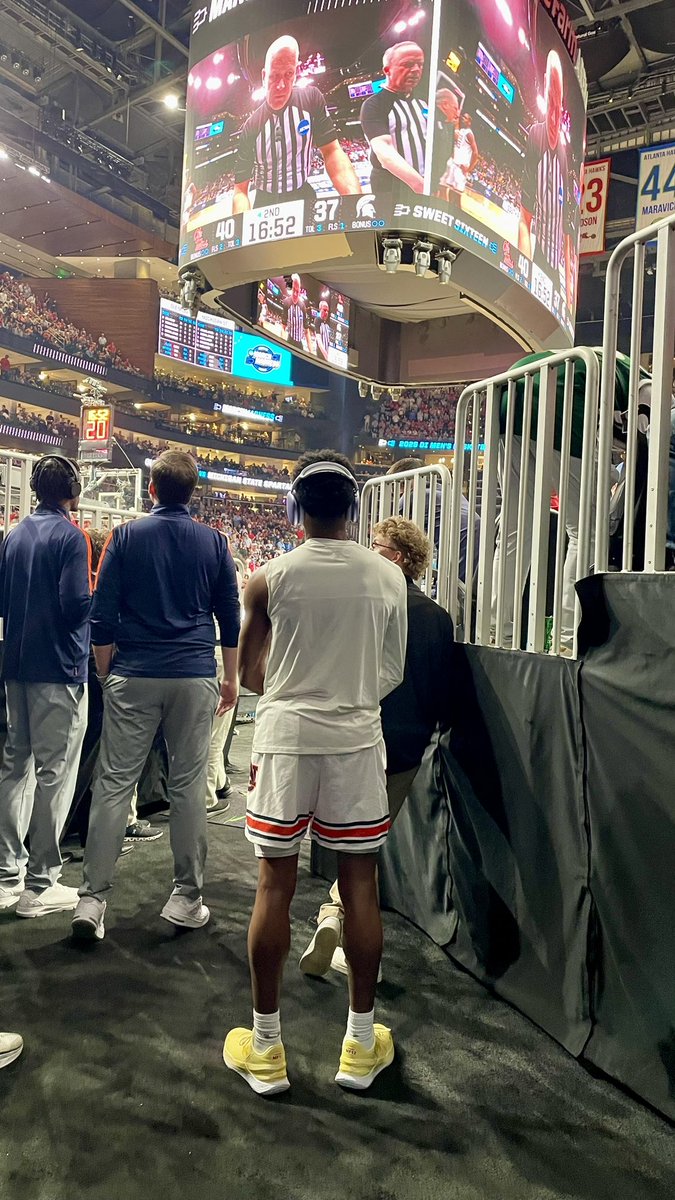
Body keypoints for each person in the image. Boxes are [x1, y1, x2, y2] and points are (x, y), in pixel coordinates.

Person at [223, 450, 407, 1095]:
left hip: (285, 738)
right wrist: (345, 692)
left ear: (297, 511)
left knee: (274, 884)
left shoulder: (269, 577)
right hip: (356, 739)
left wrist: (297, 689)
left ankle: (267, 1047)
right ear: (354, 510)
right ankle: (360, 1042)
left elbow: (248, 675)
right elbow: (392, 671)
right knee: (359, 881)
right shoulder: (389, 579)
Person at [71, 451, 240, 942]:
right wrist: (229, 678)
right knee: (188, 787)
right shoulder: (215, 542)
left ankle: (91, 898)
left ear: (151, 489)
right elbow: (228, 617)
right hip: (192, 673)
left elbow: (102, 613)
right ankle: (186, 896)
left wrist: (106, 671)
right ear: (192, 493)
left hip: (134, 673)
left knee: (114, 784)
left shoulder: (125, 536)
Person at [300, 517, 455, 979]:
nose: (369, 550)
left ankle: (335, 919)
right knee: (366, 847)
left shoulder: (363, 607)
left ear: (399, 557)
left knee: (356, 849)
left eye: (378, 545)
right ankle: (342, 930)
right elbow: (440, 692)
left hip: (356, 737)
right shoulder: (438, 617)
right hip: (405, 749)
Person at [0, 455, 90, 917]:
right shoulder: (72, 538)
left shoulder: (14, 533)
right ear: (72, 491)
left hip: (15, 665)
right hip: (59, 668)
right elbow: (75, 606)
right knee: (55, 773)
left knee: (15, 768)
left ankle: (6, 875)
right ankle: (40, 883)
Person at [232, 35, 361, 214]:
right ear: (263, 76)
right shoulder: (251, 126)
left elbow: (332, 151)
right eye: (274, 76)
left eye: (288, 74)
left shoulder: (311, 99)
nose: (281, 85)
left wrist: (354, 202)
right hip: (266, 204)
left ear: (296, 71)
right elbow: (240, 190)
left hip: (304, 194)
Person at [518, 50, 576, 304]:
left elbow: (567, 232)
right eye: (550, 103)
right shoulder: (535, 137)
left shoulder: (566, 155)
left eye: (558, 104)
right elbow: (524, 219)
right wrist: (524, 272)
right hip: (538, 255)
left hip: (558, 267)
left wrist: (570, 291)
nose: (553, 114)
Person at [388, 458, 480, 584]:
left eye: (394, 486)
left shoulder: (411, 498)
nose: (394, 493)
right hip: (478, 561)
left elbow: (390, 535)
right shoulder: (447, 491)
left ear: (409, 481)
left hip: (459, 564)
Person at [360, 41, 427, 201]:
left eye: (420, 64)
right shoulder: (373, 105)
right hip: (391, 190)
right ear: (388, 70)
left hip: (423, 185)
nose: (416, 70)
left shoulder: (423, 103)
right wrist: (421, 186)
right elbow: (385, 153)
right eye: (408, 64)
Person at [447, 113, 479, 196]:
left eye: (465, 118)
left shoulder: (469, 134)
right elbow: (456, 142)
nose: (462, 118)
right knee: (448, 191)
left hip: (461, 168)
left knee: (456, 196)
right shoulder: (462, 131)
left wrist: (469, 169)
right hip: (454, 164)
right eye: (463, 117)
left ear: (469, 122)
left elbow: (476, 153)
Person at [281, 274, 312, 353]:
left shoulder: (302, 306)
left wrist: (311, 352)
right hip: (289, 340)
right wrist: (282, 344)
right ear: (291, 289)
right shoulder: (286, 303)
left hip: (299, 343)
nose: (295, 294)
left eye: (297, 291)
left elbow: (306, 331)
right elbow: (283, 327)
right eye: (294, 290)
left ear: (300, 291)